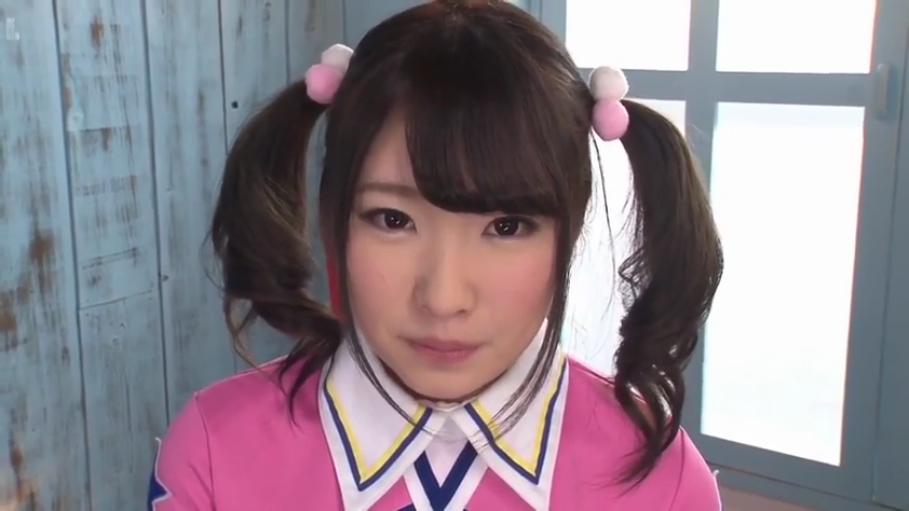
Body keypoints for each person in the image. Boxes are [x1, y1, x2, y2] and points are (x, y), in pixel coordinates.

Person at [148, 1, 724, 509]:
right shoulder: (214, 451)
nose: (443, 299)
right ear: (332, 221)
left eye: (506, 226)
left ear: (568, 236)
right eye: (393, 220)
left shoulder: (664, 481)